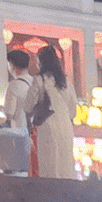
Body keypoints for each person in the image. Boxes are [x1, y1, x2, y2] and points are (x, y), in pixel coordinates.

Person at [31, 43, 78, 180]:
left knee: (49, 167)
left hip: (47, 126)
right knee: (66, 166)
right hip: (65, 128)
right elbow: (73, 112)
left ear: (41, 63)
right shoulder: (67, 84)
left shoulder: (39, 81)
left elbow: (29, 105)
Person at [0, 48, 35, 177]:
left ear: (12, 65)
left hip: (18, 134)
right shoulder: (35, 83)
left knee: (16, 175)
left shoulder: (14, 85)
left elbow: (9, 113)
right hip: (34, 135)